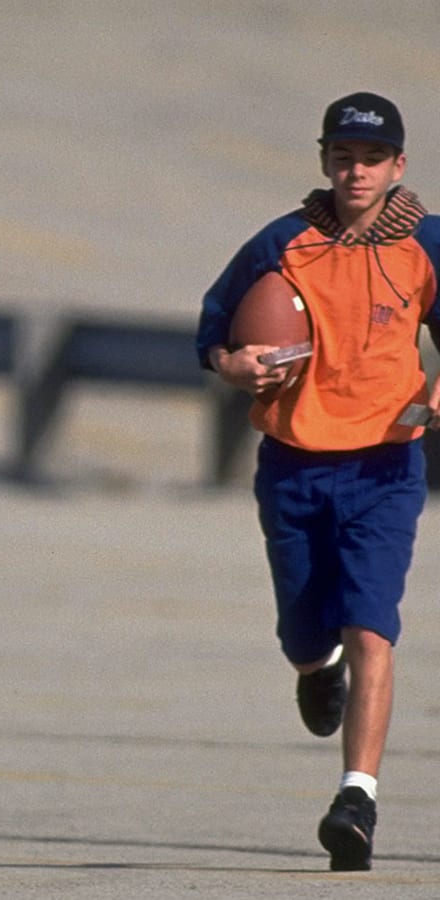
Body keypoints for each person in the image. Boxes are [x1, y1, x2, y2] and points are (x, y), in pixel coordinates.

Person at [196, 92, 440, 871]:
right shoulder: (281, 242)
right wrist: (232, 364)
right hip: (296, 466)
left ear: (398, 165)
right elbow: (213, 329)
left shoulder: (429, 245)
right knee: (306, 633)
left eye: (371, 159)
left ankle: (357, 798)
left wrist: (436, 397)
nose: (356, 171)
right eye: (342, 156)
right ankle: (314, 668)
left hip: (385, 467)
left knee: (373, 625)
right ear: (324, 160)